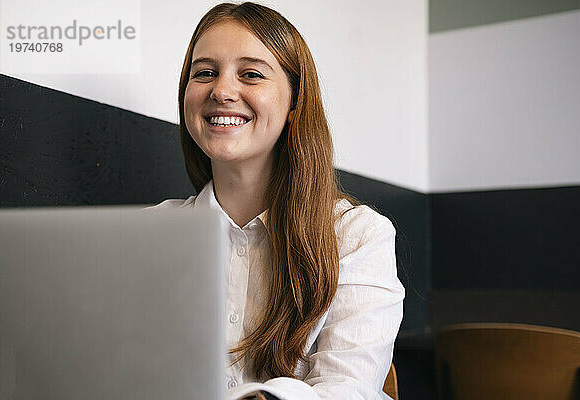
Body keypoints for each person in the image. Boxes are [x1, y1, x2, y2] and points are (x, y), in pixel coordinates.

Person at [147, 2, 404, 399]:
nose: (222, 91)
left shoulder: (356, 236)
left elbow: (348, 390)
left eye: (250, 74)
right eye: (205, 73)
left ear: (294, 104)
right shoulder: (150, 234)